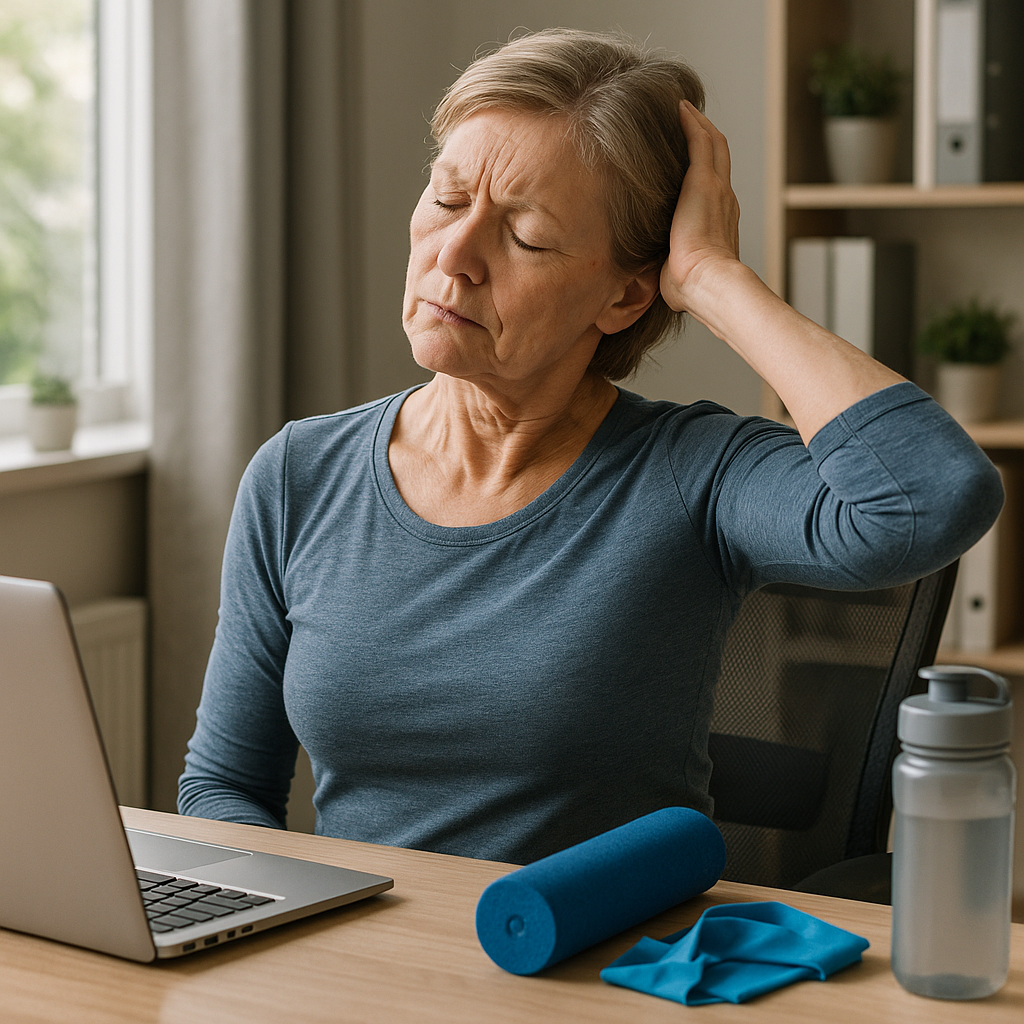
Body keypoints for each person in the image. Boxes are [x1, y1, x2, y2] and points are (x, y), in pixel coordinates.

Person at [178, 29, 1002, 864]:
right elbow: (223, 787)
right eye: (447, 198)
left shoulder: (693, 474)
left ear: (625, 295)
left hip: (595, 973)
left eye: (526, 238)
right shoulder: (297, 475)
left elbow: (931, 494)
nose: (455, 257)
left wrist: (715, 279)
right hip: (367, 973)